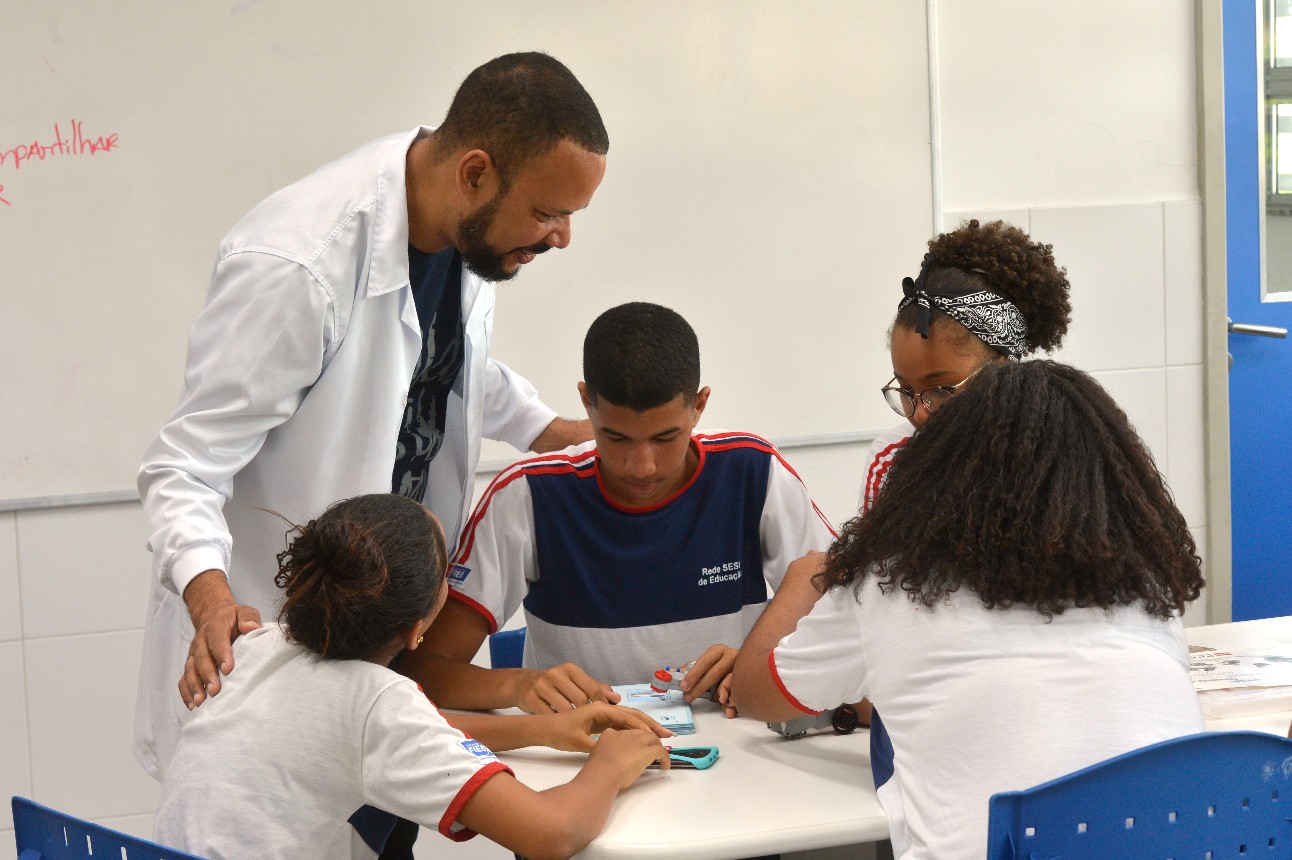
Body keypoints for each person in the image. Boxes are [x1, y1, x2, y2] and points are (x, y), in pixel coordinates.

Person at [135, 52, 608, 782]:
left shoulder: (463, 233)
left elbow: (436, 361)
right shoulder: (298, 262)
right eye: (548, 213)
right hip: (269, 658)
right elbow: (183, 467)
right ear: (476, 172)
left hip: (387, 660)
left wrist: (548, 430)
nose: (561, 237)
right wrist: (211, 600)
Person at [730, 360, 1207, 860]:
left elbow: (755, 694)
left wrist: (809, 575)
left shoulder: (889, 587)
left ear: (940, 466)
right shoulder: (1146, 588)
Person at [154, 493, 670, 860]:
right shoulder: (375, 703)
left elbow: (396, 728)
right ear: (416, 631)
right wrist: (610, 762)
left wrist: (542, 731)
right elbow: (551, 835)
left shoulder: (255, 647)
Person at [407, 302, 837, 715]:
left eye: (666, 437)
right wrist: (516, 684)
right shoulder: (526, 495)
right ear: (585, 403)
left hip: (737, 745)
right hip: (583, 753)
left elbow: (844, 612)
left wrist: (757, 661)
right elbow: (422, 671)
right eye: (615, 437)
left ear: (699, 406)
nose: (641, 467)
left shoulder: (755, 471)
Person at [861, 219, 1072, 512]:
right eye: (906, 390)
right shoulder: (893, 460)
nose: (920, 413)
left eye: (940, 390)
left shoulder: (1061, 460)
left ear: (1003, 370)